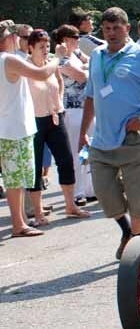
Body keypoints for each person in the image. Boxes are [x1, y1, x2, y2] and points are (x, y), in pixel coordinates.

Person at [79, 7, 140, 259]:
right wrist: (83, 133)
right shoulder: (97, 56)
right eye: (107, 29)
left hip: (133, 138)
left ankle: (136, 245)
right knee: (104, 192)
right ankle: (126, 229)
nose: (111, 33)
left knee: (138, 196)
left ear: (127, 28)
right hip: (101, 138)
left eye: (116, 28)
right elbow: (90, 96)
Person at [0, 21, 60, 237]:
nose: (17, 39)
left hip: (8, 127)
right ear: (7, 39)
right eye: (13, 36)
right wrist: (57, 58)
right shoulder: (8, 60)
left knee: (14, 179)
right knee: (15, 181)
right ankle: (18, 224)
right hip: (14, 128)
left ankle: (22, 220)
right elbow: (43, 73)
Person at [25, 29, 91, 225]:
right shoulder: (26, 67)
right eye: (41, 47)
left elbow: (59, 82)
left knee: (66, 160)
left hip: (56, 117)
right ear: (30, 48)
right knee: (35, 166)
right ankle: (37, 212)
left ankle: (71, 205)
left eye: (47, 46)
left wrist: (57, 103)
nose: (45, 50)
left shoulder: (52, 63)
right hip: (35, 120)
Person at [54, 24, 94, 206]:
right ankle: (78, 191)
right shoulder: (60, 60)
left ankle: (89, 188)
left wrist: (86, 69)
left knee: (88, 149)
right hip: (72, 109)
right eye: (74, 37)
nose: (78, 40)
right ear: (65, 40)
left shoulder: (77, 54)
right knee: (76, 152)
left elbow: (93, 64)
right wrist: (86, 70)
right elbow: (82, 76)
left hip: (87, 107)